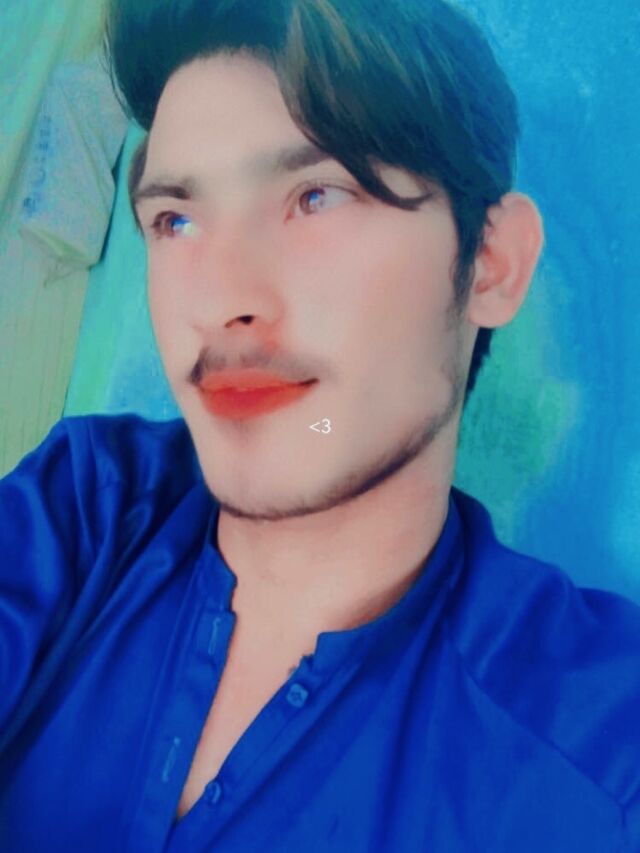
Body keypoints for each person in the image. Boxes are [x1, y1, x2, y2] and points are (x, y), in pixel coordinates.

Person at [1, 0, 639, 850]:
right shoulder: (85, 505)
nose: (222, 299)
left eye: (316, 196)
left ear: (490, 264)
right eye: (176, 220)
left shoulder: (599, 747)